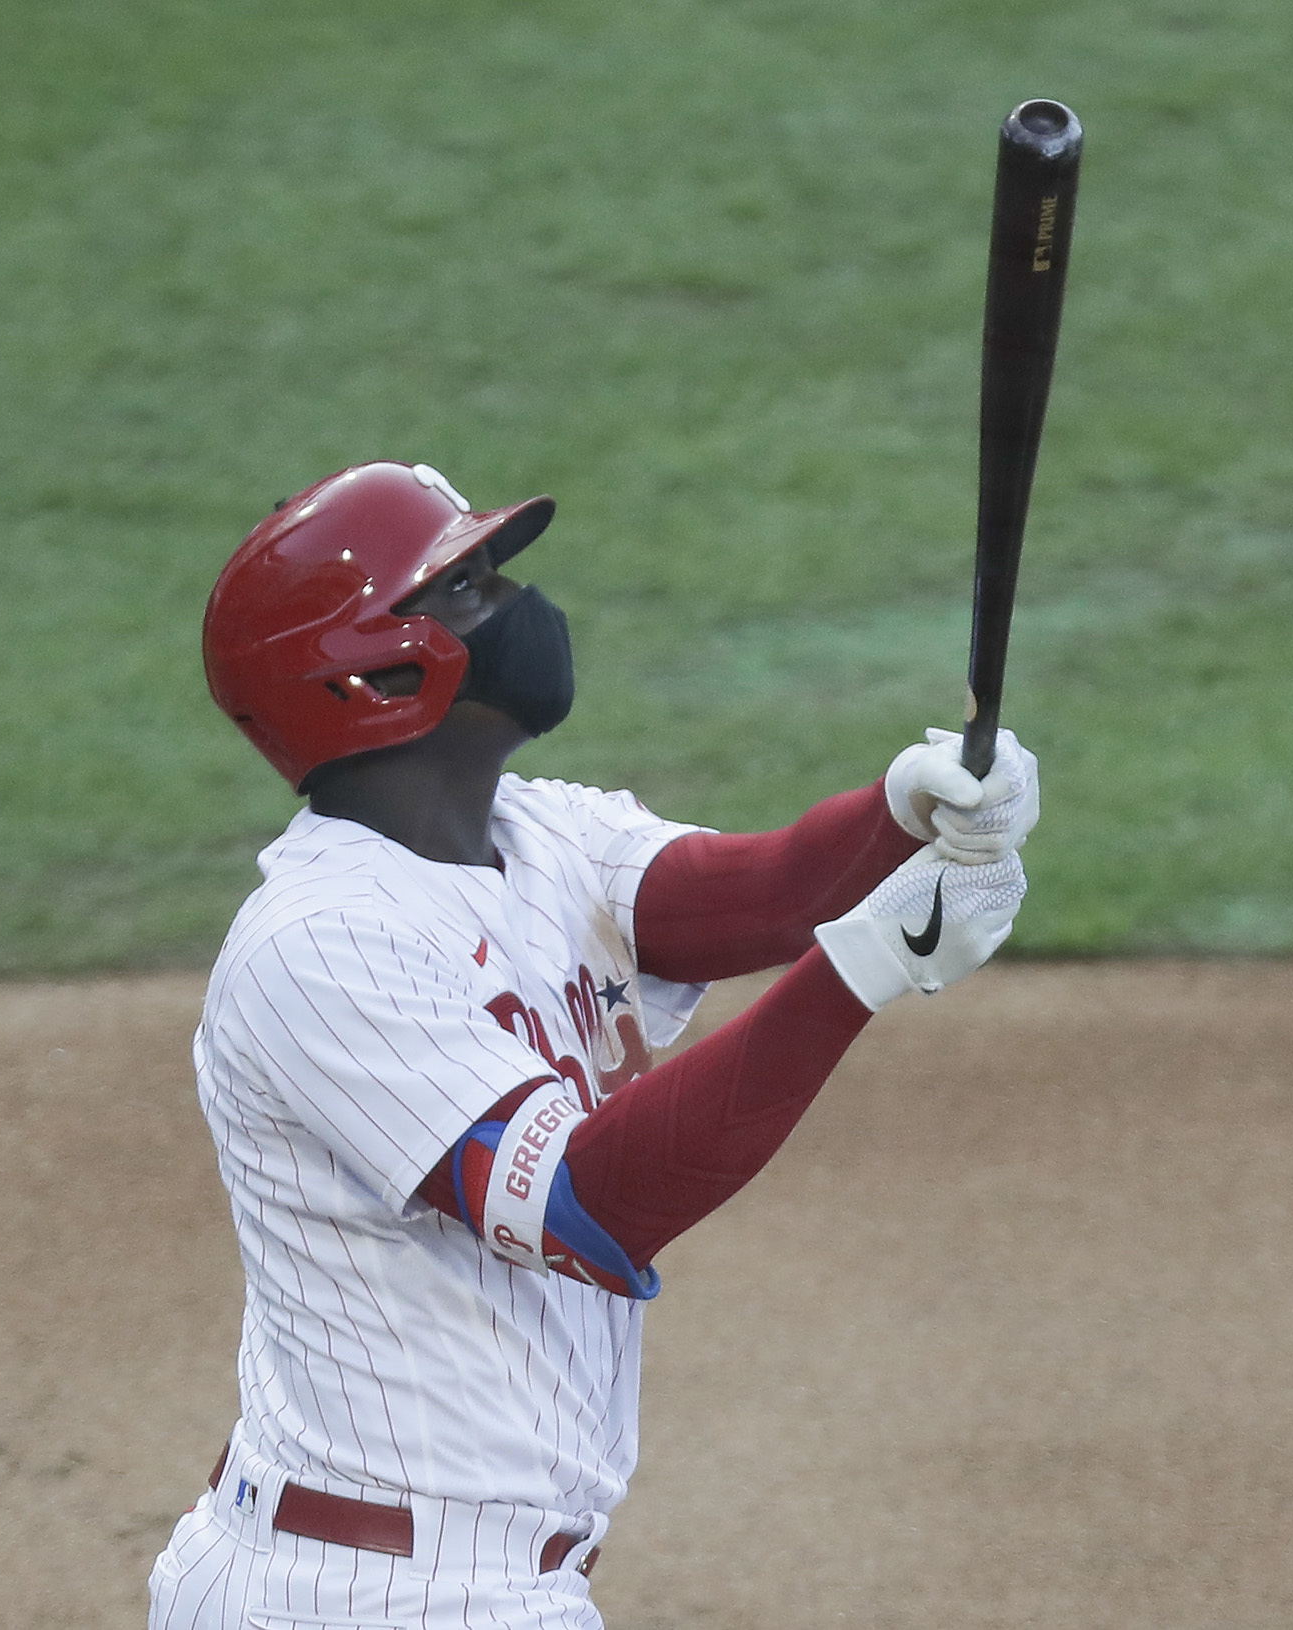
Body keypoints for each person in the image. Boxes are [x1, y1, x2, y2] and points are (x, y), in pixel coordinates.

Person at [149, 459, 1039, 1628]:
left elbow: (753, 894)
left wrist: (907, 810)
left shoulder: (540, 831)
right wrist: (863, 967)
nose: (518, 606)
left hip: (451, 1584)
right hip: (362, 1594)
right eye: (466, 588)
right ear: (371, 673)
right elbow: (584, 1204)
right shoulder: (323, 945)